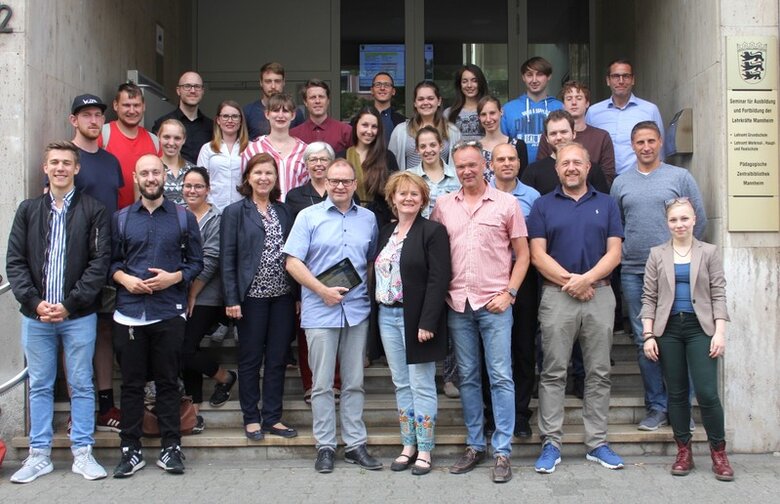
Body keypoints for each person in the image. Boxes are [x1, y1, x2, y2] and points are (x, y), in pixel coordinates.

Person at [6, 141, 111, 483]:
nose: (61, 168)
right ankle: (39, 455)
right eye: (55, 162)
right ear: (45, 167)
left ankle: (83, 452)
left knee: (81, 383)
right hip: (35, 316)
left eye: (67, 162)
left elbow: (99, 265)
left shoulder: (94, 210)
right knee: (39, 385)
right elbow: (15, 262)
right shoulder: (28, 210)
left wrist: (69, 304)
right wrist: (35, 302)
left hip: (77, 316)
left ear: (77, 168)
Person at [431, 140, 529, 484]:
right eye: (460, 166)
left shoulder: (507, 203)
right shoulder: (443, 205)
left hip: (495, 304)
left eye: (472, 165)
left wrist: (511, 293)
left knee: (500, 376)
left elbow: (523, 254)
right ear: (454, 168)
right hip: (458, 304)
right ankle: (475, 445)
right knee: (468, 378)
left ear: (484, 165)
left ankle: (502, 450)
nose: (466, 171)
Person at [527, 141, 625, 474]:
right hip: (557, 297)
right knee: (554, 372)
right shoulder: (542, 205)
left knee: (599, 372)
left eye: (577, 162)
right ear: (557, 168)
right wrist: (572, 282)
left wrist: (587, 280)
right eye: (565, 162)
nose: (571, 167)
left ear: (587, 168)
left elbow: (614, 253)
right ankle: (551, 443)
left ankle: (597, 442)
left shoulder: (608, 203)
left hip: (600, 295)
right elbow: (537, 255)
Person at [283, 159, 382, 474]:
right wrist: (320, 290)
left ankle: (355, 444)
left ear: (355, 184)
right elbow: (292, 262)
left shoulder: (368, 219)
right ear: (325, 182)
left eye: (346, 181)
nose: (340, 186)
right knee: (322, 385)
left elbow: (369, 263)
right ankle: (325, 446)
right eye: (335, 181)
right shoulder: (307, 217)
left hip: (356, 312)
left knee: (354, 382)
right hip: (319, 310)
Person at [110, 155, 203, 478]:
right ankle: (130, 449)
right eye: (144, 173)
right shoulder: (121, 219)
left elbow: (196, 263)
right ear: (135, 178)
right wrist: (124, 279)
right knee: (132, 385)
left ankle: (171, 447)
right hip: (129, 314)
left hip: (168, 311)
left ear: (165, 176)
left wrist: (173, 278)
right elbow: (110, 263)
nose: (151, 178)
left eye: (156, 172)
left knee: (167, 383)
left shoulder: (182, 217)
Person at [611, 120, 707, 431]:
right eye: (640, 142)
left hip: (676, 270)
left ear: (661, 142)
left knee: (677, 337)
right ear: (632, 145)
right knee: (645, 340)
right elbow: (616, 226)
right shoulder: (621, 182)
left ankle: (682, 407)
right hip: (634, 271)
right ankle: (656, 406)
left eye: (651, 141)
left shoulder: (680, 177)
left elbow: (699, 220)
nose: (646, 147)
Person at [641, 198, 733, 481]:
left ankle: (719, 453)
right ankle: (684, 451)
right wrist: (648, 334)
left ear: (694, 220)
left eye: (684, 219)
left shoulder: (709, 252)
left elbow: (718, 293)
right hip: (668, 330)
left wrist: (719, 333)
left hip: (700, 329)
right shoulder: (657, 254)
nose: (679, 224)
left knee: (706, 392)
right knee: (677, 393)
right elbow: (649, 296)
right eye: (673, 220)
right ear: (667, 223)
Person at [376, 171, 451, 476]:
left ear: (423, 199)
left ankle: (425, 450)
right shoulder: (386, 232)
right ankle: (407, 445)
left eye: (414, 194)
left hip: (417, 319)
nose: (408, 198)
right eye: (402, 193)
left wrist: (428, 320)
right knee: (401, 383)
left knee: (421, 384)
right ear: (392, 198)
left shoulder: (432, 231)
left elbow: (439, 278)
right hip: (387, 316)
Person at [221, 153, 297, 440]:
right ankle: (251, 418)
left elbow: (295, 254)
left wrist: (298, 294)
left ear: (276, 179)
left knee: (277, 358)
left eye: (269, 173)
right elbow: (227, 258)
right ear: (248, 178)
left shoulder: (284, 211)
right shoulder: (235, 212)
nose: (264, 178)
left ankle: (273, 417)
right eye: (258, 173)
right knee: (251, 358)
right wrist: (232, 299)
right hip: (250, 297)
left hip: (283, 296)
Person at [68, 94, 124, 433]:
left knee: (104, 329)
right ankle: (79, 407)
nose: (93, 120)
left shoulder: (110, 161)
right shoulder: (66, 160)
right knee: (74, 332)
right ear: (73, 119)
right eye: (86, 115)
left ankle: (105, 405)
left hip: (106, 256)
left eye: (98, 115)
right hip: (74, 257)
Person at [488, 143, 541, 438]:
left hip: (524, 276)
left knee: (522, 348)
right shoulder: (482, 194)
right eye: (501, 159)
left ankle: (520, 414)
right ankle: (492, 413)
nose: (507, 163)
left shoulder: (533, 197)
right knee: (493, 351)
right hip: (489, 278)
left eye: (512, 159)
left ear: (519, 164)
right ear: (491, 164)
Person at [285, 143, 343, 404]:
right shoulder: (295, 196)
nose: (318, 164)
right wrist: (297, 290)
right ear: (306, 165)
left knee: (341, 330)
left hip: (340, 272)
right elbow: (291, 245)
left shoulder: (339, 190)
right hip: (306, 274)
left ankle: (337, 382)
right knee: (307, 334)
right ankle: (311, 384)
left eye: (324, 159)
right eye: (313, 160)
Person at [180, 167, 237, 431]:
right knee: (184, 348)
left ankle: (225, 376)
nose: (192, 191)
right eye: (188, 186)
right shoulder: (176, 214)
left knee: (184, 348)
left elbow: (211, 259)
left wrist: (192, 293)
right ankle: (194, 410)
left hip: (209, 295)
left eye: (198, 186)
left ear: (208, 189)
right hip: (177, 292)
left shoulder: (218, 217)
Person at [586, 59, 665, 176]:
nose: (621, 81)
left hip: (639, 179)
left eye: (626, 76)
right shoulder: (593, 112)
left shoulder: (650, 110)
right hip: (603, 180)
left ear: (633, 80)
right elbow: (588, 147)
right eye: (616, 76)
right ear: (608, 80)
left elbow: (660, 151)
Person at [537, 80, 616, 184]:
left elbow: (607, 175)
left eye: (579, 98)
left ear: (587, 103)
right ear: (563, 104)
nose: (574, 103)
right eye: (569, 99)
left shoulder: (602, 137)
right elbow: (542, 169)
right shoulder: (551, 136)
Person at [101, 82, 161, 209]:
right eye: (126, 105)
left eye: (136, 105)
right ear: (115, 105)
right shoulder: (102, 135)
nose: (132, 111)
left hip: (144, 219)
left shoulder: (154, 141)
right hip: (110, 217)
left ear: (144, 106)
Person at [522, 110, 610, 195]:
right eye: (553, 133)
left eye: (563, 132)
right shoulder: (533, 171)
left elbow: (603, 204)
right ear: (546, 138)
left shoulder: (592, 169)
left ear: (574, 134)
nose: (559, 137)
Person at [339, 106, 399, 228]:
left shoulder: (387, 157)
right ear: (356, 125)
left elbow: (396, 193)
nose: (369, 131)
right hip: (346, 220)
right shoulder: (342, 156)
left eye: (374, 126)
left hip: (380, 222)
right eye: (365, 125)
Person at [243, 93, 309, 202]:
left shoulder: (304, 150)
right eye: (275, 110)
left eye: (286, 111)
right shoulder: (253, 149)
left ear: (293, 115)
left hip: (295, 213)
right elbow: (245, 185)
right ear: (267, 114)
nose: (280, 115)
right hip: (262, 213)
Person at [500, 57, 564, 162]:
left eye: (539, 74)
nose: (534, 80)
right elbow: (502, 145)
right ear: (523, 77)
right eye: (529, 75)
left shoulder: (560, 107)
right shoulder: (508, 109)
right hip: (519, 172)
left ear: (549, 76)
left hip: (554, 170)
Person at [389, 81, 461, 170]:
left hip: (444, 183)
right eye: (421, 99)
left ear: (439, 101)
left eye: (430, 98)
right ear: (415, 103)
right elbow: (391, 165)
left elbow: (459, 164)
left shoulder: (452, 131)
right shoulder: (400, 131)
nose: (425, 102)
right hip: (410, 183)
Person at [197, 100, 249, 211]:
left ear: (240, 121)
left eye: (235, 116)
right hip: (214, 210)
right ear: (218, 120)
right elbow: (200, 181)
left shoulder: (251, 148)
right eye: (225, 116)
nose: (230, 120)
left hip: (243, 210)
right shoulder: (207, 149)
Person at [152, 71, 213, 164]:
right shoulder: (162, 123)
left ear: (202, 91)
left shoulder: (211, 127)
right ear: (178, 90)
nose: (192, 91)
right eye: (187, 86)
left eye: (197, 86)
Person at [407, 126, 461, 219]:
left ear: (441, 146)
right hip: (420, 231)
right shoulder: (409, 176)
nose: (428, 150)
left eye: (432, 145)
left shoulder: (457, 175)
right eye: (423, 146)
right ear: (417, 150)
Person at [243, 62, 305, 140]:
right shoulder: (248, 111)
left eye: (277, 81)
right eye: (268, 81)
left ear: (283, 82)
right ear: (261, 83)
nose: (273, 86)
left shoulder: (296, 112)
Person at [290, 79, 352, 152]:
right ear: (305, 102)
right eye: (313, 97)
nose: (317, 101)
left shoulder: (345, 131)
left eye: (321, 97)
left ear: (328, 100)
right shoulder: (294, 134)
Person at [477, 95, 529, 178]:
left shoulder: (518, 145)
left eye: (492, 113)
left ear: (501, 112)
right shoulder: (474, 149)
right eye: (483, 114)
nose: (488, 119)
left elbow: (523, 179)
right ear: (478, 117)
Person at [444, 64, 488, 142]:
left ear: (481, 83)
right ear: (459, 85)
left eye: (474, 81)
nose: (469, 85)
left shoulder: (490, 111)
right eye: (464, 81)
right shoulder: (448, 113)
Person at [158, 119, 195, 205]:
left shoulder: (193, 170)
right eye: (166, 137)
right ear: (159, 137)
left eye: (177, 138)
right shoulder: (151, 170)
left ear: (184, 140)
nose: (171, 143)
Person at [366, 72, 406, 143]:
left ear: (393, 91)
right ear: (372, 90)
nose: (382, 88)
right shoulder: (359, 121)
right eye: (378, 85)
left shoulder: (403, 123)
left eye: (387, 85)